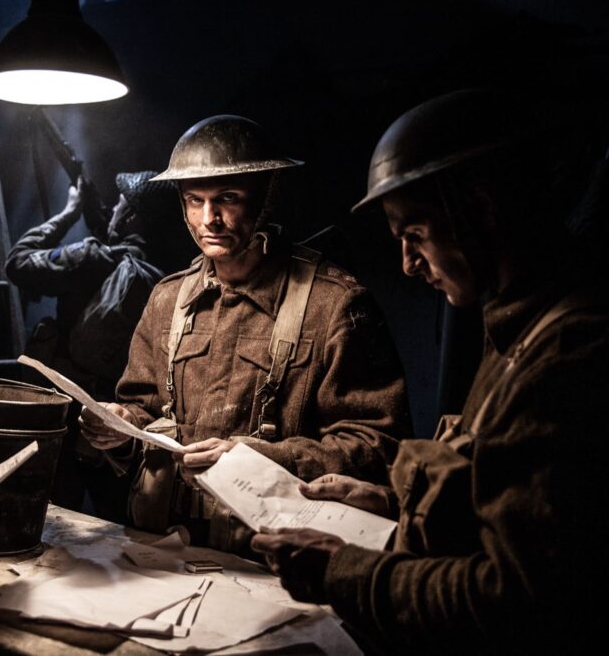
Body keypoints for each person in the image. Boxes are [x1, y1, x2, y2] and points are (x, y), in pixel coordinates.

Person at [252, 90, 609, 653]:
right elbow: (498, 496)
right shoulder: (517, 329)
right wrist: (390, 502)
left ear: (481, 208)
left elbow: (517, 597)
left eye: (414, 234)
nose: (406, 263)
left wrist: (343, 572)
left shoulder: (574, 350)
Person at [79, 115, 411, 552]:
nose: (209, 218)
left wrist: (259, 459)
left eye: (228, 199)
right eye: (195, 201)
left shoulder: (334, 305)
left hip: (273, 557)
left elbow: (376, 447)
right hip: (161, 548)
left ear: (265, 197)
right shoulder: (167, 300)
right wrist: (121, 428)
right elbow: (142, 409)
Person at [6, 171, 182, 521]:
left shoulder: (95, 259)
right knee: (115, 526)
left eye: (119, 205)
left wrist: (69, 212)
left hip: (63, 415)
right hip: (119, 421)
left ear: (130, 215)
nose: (113, 210)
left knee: (47, 519)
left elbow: (19, 261)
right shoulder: (170, 280)